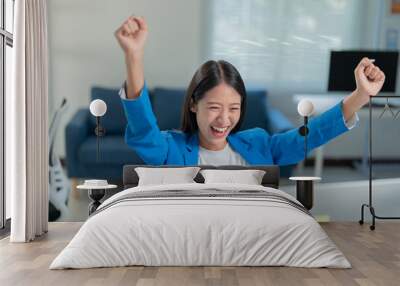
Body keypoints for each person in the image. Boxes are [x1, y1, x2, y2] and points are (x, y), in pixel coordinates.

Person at [114, 16, 386, 166]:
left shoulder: (258, 144)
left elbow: (309, 135)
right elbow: (144, 130)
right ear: (194, 104)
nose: (224, 120)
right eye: (214, 108)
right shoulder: (169, 149)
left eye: (233, 108)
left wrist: (361, 95)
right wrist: (134, 57)